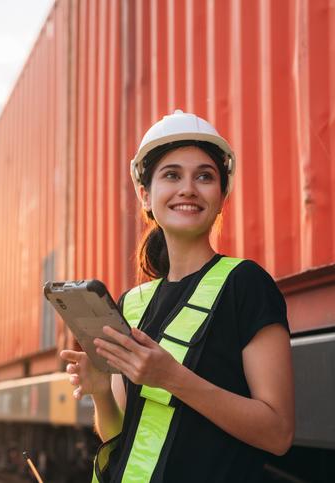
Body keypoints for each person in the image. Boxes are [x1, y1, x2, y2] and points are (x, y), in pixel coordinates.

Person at [60, 110, 294, 482]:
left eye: (204, 176)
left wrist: (170, 377)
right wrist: (100, 392)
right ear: (145, 195)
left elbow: (278, 433)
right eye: (172, 175)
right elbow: (120, 436)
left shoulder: (246, 284)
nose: (188, 188)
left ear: (221, 197)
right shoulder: (132, 304)